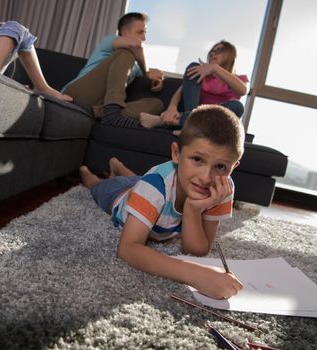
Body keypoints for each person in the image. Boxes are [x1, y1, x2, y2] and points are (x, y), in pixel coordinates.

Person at [79, 104, 244, 299]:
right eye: (198, 159)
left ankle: (120, 167)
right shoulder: (154, 186)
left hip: (147, 188)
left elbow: (197, 250)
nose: (206, 177)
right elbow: (128, 248)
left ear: (234, 167)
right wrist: (195, 274)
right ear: (176, 153)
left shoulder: (223, 188)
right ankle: (89, 173)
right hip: (120, 195)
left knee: (140, 183)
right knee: (100, 186)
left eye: (220, 166)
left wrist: (193, 208)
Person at [62, 12, 165, 128]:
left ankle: (99, 113)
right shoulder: (109, 41)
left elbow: (155, 72)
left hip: (94, 106)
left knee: (158, 104)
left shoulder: (134, 66)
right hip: (75, 95)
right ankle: (112, 114)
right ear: (124, 33)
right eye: (140, 32)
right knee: (127, 52)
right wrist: (146, 72)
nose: (144, 38)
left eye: (145, 33)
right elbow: (136, 45)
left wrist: (159, 77)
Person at [140, 40, 248, 133]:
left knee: (237, 107)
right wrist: (171, 108)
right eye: (212, 51)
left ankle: (176, 122)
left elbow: (243, 90)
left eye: (218, 50)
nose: (212, 53)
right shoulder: (201, 73)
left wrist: (215, 68)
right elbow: (180, 92)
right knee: (193, 66)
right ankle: (191, 126)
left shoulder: (238, 79)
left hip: (216, 121)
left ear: (229, 55)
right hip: (192, 109)